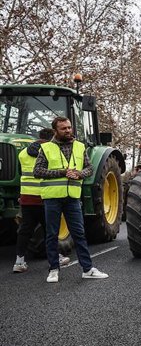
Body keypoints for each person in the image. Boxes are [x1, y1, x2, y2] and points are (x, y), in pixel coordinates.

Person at [34, 116, 108, 283]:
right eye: (63, 128)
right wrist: (61, 172)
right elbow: (37, 171)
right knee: (52, 235)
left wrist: (79, 173)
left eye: (69, 127)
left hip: (72, 198)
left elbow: (89, 168)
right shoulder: (45, 148)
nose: (68, 130)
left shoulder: (80, 146)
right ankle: (54, 269)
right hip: (52, 198)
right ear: (55, 131)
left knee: (79, 234)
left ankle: (88, 269)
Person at [12, 128, 70, 273]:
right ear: (52, 137)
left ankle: (19, 262)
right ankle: (56, 257)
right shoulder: (51, 151)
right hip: (45, 197)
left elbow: (21, 173)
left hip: (26, 197)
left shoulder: (23, 153)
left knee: (25, 230)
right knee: (50, 229)